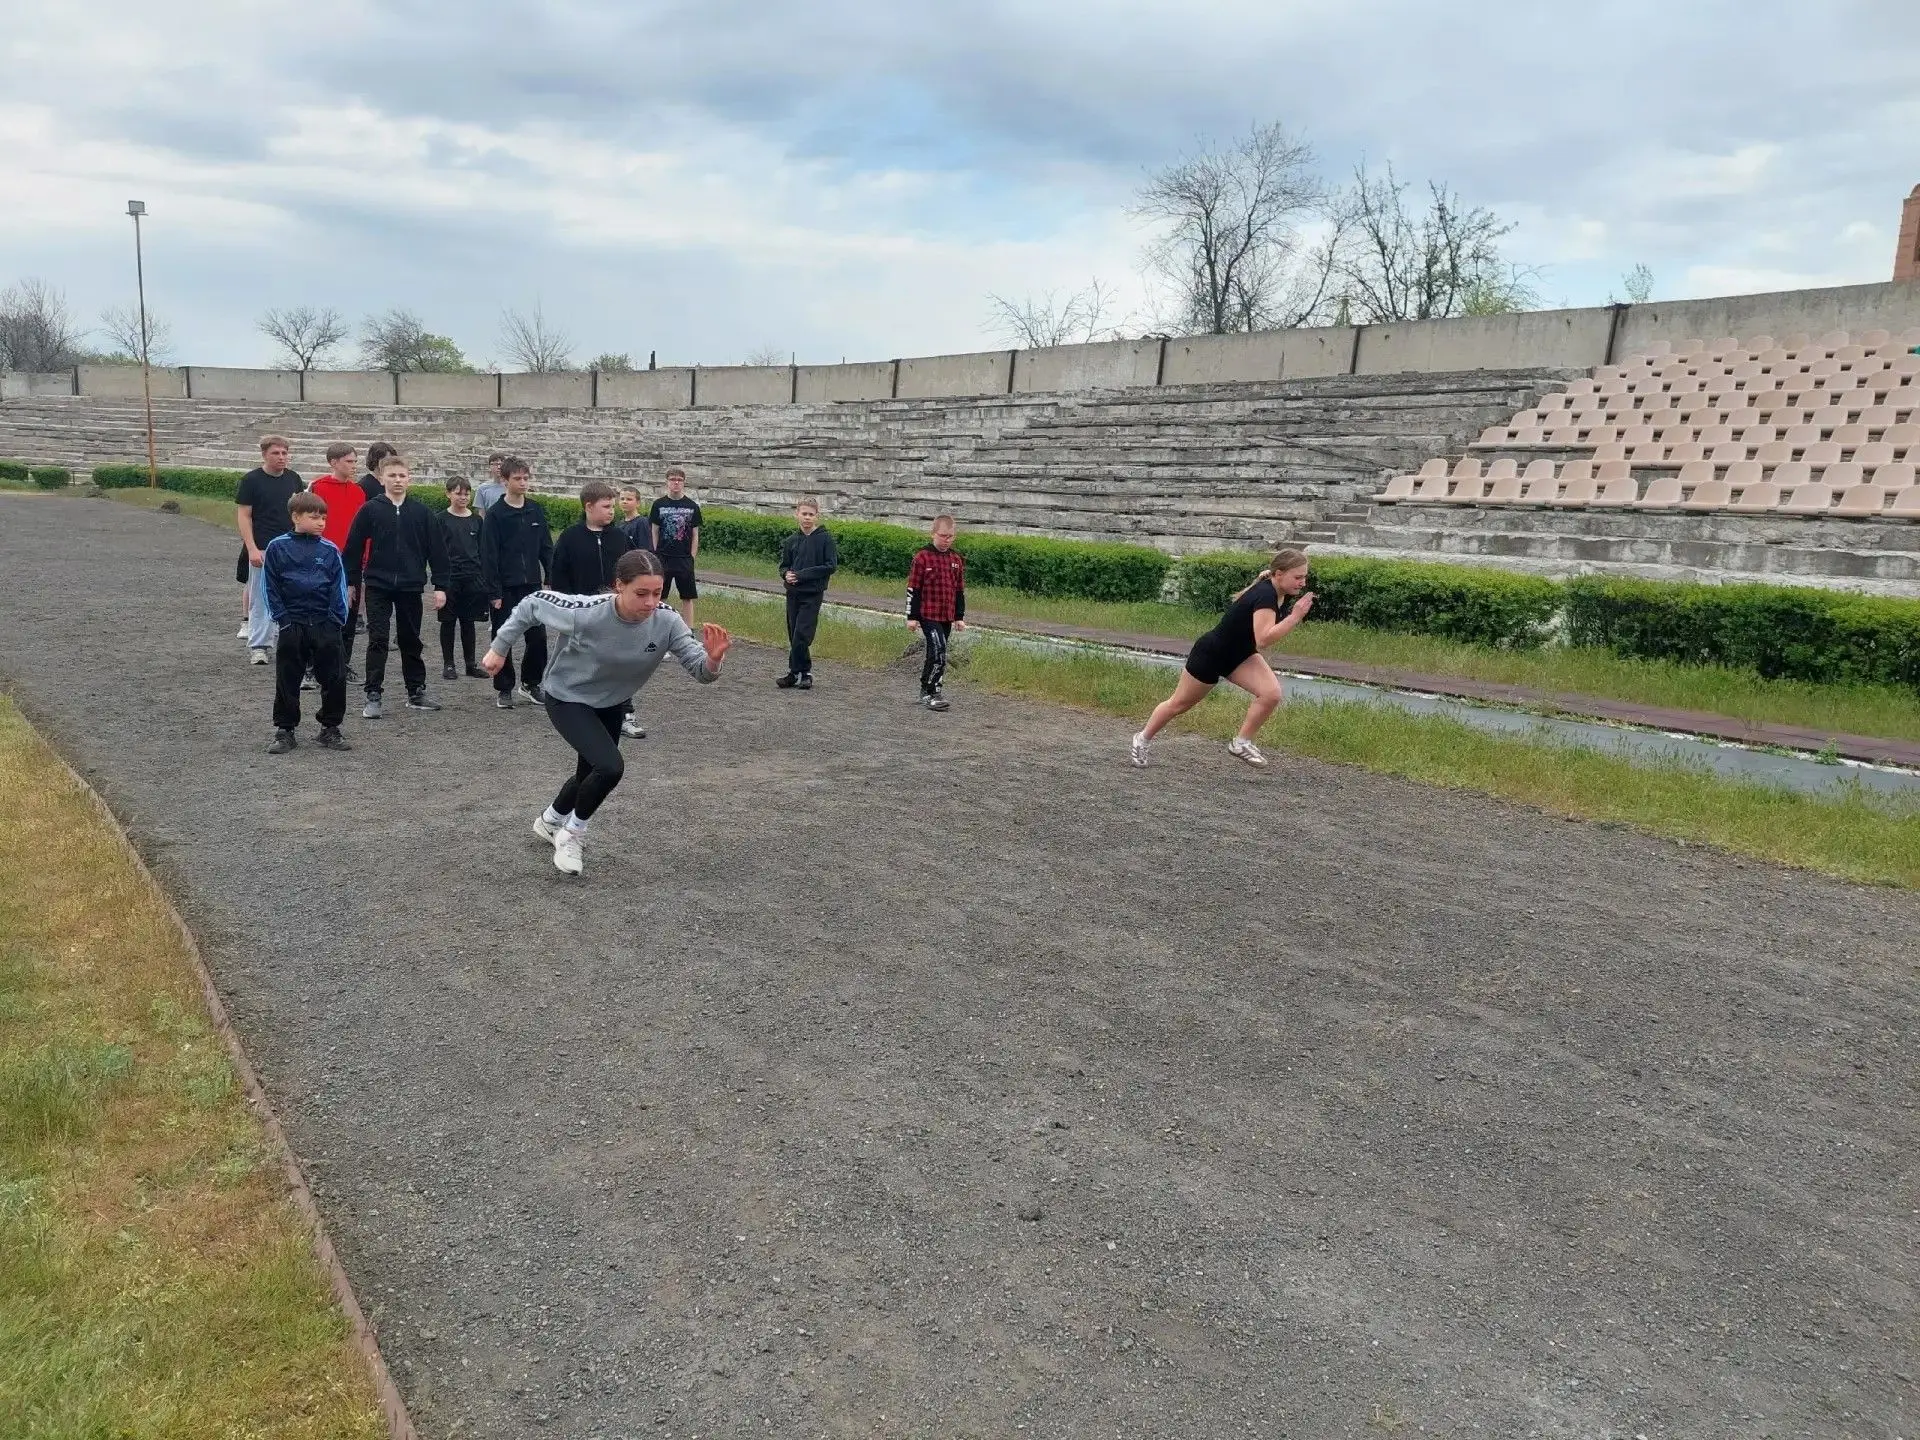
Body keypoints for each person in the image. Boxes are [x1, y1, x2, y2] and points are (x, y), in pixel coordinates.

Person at [482, 550, 731, 876]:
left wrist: (713, 659)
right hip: (568, 697)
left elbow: (701, 671)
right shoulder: (586, 613)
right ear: (619, 586)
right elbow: (531, 604)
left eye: (657, 593)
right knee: (610, 766)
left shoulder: (667, 621)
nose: (650, 602)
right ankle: (572, 834)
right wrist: (499, 648)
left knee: (590, 775)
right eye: (641, 593)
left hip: (611, 703)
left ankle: (550, 820)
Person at [1130, 548, 1315, 770]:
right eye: (1298, 577)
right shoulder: (1265, 595)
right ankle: (1142, 739)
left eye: (1304, 577)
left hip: (1240, 655)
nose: (1303, 582)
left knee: (1271, 694)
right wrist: (1295, 617)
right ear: (1278, 574)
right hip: (1212, 654)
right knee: (1178, 704)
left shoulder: (1279, 590)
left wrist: (1293, 613)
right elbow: (1263, 639)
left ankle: (1241, 743)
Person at [343, 453, 448, 719]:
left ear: (409, 479)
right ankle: (373, 694)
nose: (397, 480)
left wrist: (440, 585)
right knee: (378, 639)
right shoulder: (370, 510)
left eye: (402, 476)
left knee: (410, 639)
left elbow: (437, 551)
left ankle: (416, 691)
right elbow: (353, 548)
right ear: (381, 478)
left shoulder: (422, 513)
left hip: (411, 586)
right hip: (378, 584)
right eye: (392, 475)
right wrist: (351, 582)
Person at [262, 492, 352, 755]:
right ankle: (285, 729)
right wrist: (283, 620)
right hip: (293, 622)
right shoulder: (277, 547)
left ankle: (330, 728)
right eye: (314, 517)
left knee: (335, 677)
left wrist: (335, 620)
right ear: (295, 517)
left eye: (324, 517)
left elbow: (338, 587)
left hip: (325, 623)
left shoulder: (330, 550)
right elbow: (270, 587)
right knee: (288, 677)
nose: (321, 522)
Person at [551, 481, 643, 737]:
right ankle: (577, 707)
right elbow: (559, 577)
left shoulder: (620, 538)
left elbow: (634, 573)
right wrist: (567, 610)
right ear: (588, 506)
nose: (612, 511)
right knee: (584, 663)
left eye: (613, 506)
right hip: (583, 615)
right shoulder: (570, 538)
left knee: (621, 664)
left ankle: (625, 713)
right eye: (606, 506)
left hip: (616, 614)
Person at [480, 455, 553, 709]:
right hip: (505, 587)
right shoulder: (495, 515)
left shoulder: (535, 510)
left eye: (525, 478)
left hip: (532, 586)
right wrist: (494, 591)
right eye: (517, 478)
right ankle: (504, 687)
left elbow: (546, 547)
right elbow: (488, 555)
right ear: (505, 480)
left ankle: (531, 683)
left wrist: (549, 577)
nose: (523, 483)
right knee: (504, 637)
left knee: (538, 637)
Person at [235, 435, 305, 664]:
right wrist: (252, 548)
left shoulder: (294, 479)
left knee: (291, 597)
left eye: (285, 453)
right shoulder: (251, 480)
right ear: (264, 454)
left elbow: (299, 513)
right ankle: (259, 646)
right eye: (276, 453)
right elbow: (244, 516)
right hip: (263, 547)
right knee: (261, 598)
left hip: (290, 546)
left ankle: (289, 642)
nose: (281, 457)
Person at [310, 442, 368, 681]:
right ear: (333, 463)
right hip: (322, 560)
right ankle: (312, 667)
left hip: (351, 561)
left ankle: (343, 664)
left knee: (349, 616)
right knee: (320, 613)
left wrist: (364, 557)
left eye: (355, 461)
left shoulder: (358, 492)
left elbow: (363, 529)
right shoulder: (318, 487)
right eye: (349, 461)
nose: (354, 466)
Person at [774, 496, 837, 690]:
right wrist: (786, 574)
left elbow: (830, 566)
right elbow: (784, 565)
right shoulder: (791, 541)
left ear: (817, 516)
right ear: (797, 514)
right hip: (793, 593)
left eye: (811, 514)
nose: (807, 517)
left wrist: (801, 575)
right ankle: (797, 673)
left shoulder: (825, 539)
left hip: (812, 593)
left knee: (802, 634)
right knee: (793, 633)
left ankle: (803, 673)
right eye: (804, 514)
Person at [906, 514, 967, 711]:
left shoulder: (956, 559)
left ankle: (928, 689)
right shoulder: (922, 557)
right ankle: (932, 692)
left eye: (950, 536)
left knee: (936, 653)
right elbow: (913, 589)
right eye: (942, 536)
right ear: (933, 533)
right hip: (928, 614)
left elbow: (959, 590)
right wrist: (912, 617)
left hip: (946, 615)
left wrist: (959, 616)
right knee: (939, 651)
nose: (946, 540)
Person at [436, 477, 490, 680]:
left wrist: (483, 577)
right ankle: (449, 664)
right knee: (448, 621)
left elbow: (482, 550)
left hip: (472, 577)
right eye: (458, 493)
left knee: (469, 622)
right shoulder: (440, 519)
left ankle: (470, 664)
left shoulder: (476, 520)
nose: (463, 497)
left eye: (467, 493)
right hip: (450, 578)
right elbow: (436, 550)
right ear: (448, 494)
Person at [648, 467, 702, 625]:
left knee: (687, 596)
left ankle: (689, 629)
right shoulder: (658, 504)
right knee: (660, 595)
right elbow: (654, 531)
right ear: (667, 482)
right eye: (672, 479)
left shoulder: (692, 506)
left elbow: (695, 534)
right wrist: (656, 553)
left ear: (684, 482)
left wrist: (692, 557)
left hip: (684, 558)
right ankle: (658, 626)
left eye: (679, 480)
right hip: (663, 557)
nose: (676, 482)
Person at [616, 486, 653, 551]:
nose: (624, 501)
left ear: (638, 503)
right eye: (622, 499)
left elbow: (644, 549)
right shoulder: (619, 524)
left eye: (629, 499)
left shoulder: (642, 522)